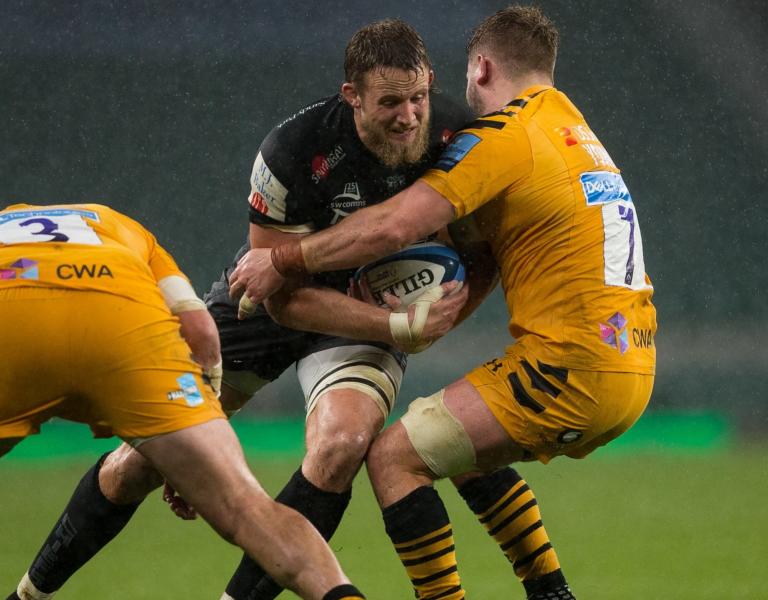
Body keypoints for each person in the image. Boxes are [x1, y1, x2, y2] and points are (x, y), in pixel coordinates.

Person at [7, 18, 575, 600]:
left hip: (365, 321)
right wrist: (396, 324)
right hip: (273, 306)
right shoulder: (291, 151)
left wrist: (440, 316)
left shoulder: (459, 135)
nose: (408, 116)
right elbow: (280, 301)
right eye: (390, 103)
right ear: (351, 95)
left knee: (340, 447)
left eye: (417, 97)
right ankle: (28, 595)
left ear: (431, 80)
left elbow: (483, 254)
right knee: (140, 464)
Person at [230, 6, 657, 599]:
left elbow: (392, 229)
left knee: (393, 459)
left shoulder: (505, 134)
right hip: (632, 363)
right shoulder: (575, 130)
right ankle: (550, 591)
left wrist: (281, 260)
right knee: (456, 442)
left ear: (479, 68)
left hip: (570, 367)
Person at [0, 203, 367, 600]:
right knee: (249, 510)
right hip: (121, 316)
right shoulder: (116, 226)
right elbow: (202, 333)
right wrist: (191, 432)